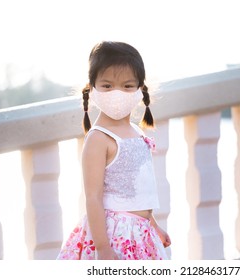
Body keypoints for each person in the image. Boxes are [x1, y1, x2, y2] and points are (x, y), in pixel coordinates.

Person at [56, 41, 171, 260]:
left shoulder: (136, 132)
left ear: (140, 89)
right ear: (92, 88)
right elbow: (93, 197)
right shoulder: (99, 139)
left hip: (141, 235)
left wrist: (154, 224)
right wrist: (103, 248)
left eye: (127, 86)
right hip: (115, 236)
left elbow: (137, 191)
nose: (117, 93)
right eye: (107, 86)